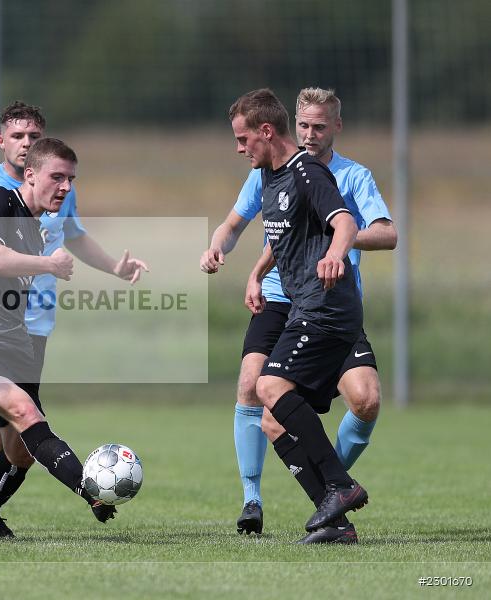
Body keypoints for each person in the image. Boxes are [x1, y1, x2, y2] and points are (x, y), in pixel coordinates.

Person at [0, 102, 146, 535]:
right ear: (28, 170)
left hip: (15, 335)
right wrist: (46, 267)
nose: (65, 186)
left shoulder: (39, 220)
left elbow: (72, 239)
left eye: (71, 179)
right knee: (18, 412)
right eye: (58, 177)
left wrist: (114, 267)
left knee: (17, 447)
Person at [201, 87, 396, 542]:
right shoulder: (272, 176)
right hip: (305, 302)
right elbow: (280, 233)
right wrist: (254, 270)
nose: (238, 148)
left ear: (266, 132)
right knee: (271, 412)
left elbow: (346, 222)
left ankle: (340, 485)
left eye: (242, 139)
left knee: (272, 386)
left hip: (326, 304)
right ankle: (335, 521)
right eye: (304, 125)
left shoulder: (309, 173)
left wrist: (336, 251)